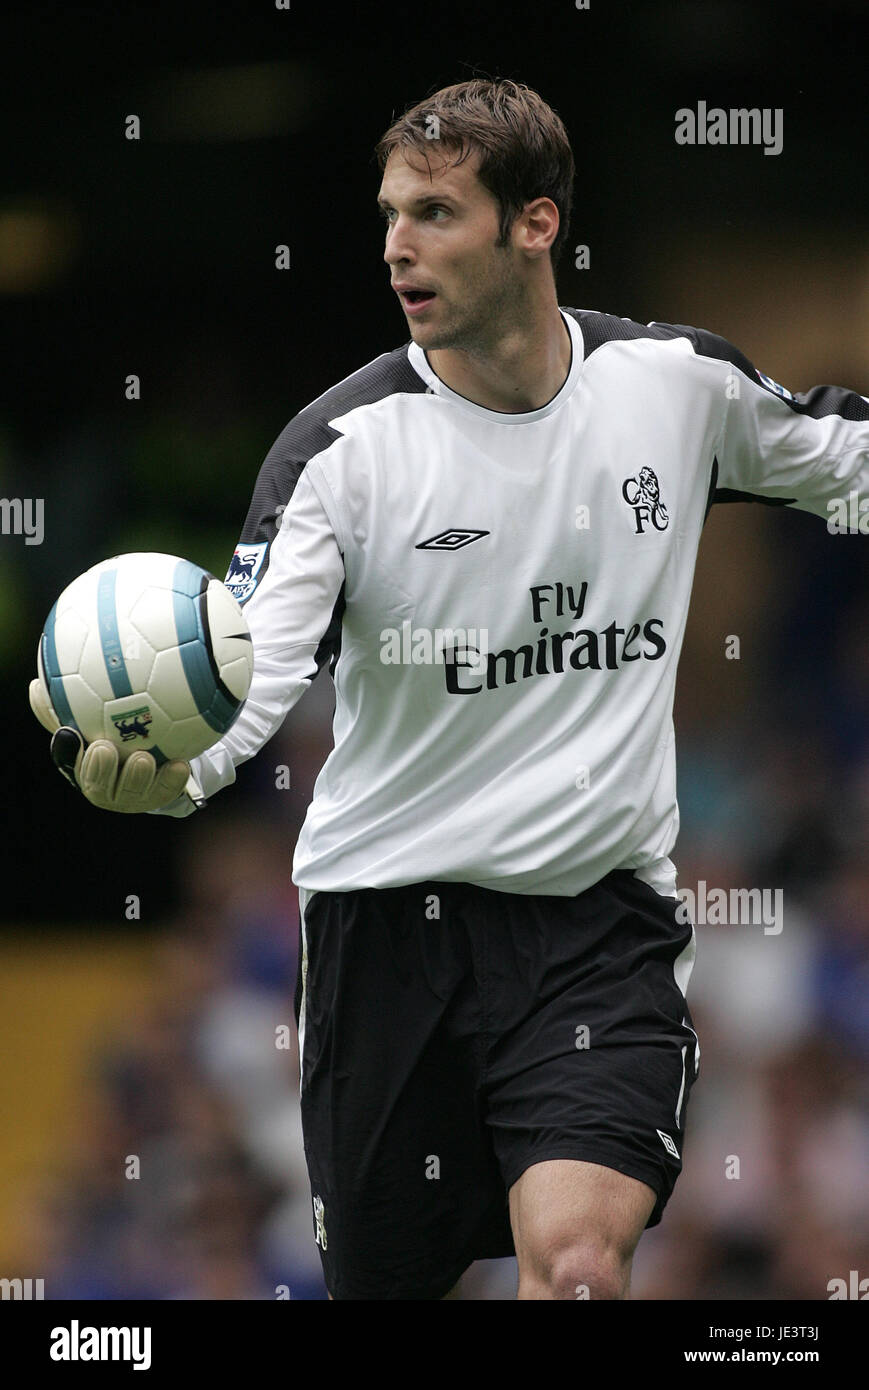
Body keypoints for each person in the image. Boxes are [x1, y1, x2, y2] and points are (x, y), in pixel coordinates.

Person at [30, 77, 869, 1301]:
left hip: (596, 928)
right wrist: (173, 779)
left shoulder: (673, 387)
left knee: (577, 1264)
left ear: (534, 224)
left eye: (432, 213)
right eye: (387, 216)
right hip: (385, 935)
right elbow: (248, 676)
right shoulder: (341, 452)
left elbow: (835, 458)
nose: (394, 247)